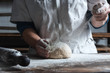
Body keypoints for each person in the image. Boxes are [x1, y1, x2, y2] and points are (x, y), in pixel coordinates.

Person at [10, 0, 110, 58]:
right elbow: (24, 25)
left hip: (82, 53)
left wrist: (100, 17)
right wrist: (36, 43)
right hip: (43, 56)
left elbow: (96, 19)